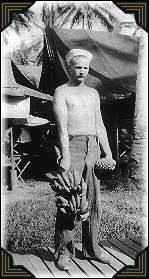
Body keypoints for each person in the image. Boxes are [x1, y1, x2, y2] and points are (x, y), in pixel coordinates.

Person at [53, 48, 116, 270]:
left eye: (86, 68)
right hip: (74, 146)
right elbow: (61, 128)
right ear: (69, 68)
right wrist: (66, 156)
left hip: (93, 148)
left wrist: (107, 152)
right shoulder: (62, 92)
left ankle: (92, 249)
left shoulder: (93, 94)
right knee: (70, 200)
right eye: (78, 67)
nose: (82, 71)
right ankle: (64, 252)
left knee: (92, 200)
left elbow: (99, 124)